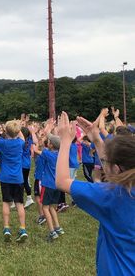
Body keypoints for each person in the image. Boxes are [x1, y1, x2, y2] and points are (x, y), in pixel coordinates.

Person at [55, 112, 135, 276]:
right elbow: (116, 175)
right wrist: (97, 140)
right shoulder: (121, 189)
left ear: (116, 169)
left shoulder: (111, 196)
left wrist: (64, 142)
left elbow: (62, 181)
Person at [0, 119, 28, 243]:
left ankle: (7, 228)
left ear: (5, 132)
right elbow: (22, 136)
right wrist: (19, 126)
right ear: (17, 131)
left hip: (6, 178)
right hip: (18, 178)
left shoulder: (2, 143)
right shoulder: (20, 143)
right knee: (19, 203)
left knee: (6, 202)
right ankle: (23, 228)